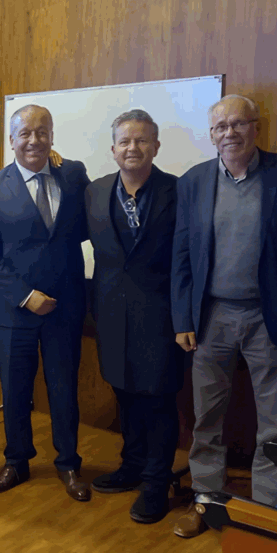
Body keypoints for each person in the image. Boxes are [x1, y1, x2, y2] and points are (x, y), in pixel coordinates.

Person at [170, 94, 277, 538]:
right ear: (212, 136)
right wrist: (182, 318)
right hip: (211, 318)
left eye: (238, 124)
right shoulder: (194, 182)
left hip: (274, 318)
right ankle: (206, 500)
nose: (230, 133)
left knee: (274, 420)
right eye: (220, 127)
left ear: (256, 128)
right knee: (206, 418)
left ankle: (267, 510)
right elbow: (182, 256)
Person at [0, 104, 92, 502]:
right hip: (13, 311)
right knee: (16, 391)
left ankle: (69, 464)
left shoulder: (72, 174)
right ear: (12, 140)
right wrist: (25, 295)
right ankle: (16, 461)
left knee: (63, 389)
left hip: (65, 308)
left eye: (42, 132)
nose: (34, 140)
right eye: (25, 133)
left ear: (52, 136)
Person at [85, 109, 183, 524]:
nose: (133, 148)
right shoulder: (94, 192)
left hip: (162, 317)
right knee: (124, 392)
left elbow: (188, 260)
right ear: (113, 149)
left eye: (142, 141)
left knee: (159, 400)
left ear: (156, 147)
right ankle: (131, 466)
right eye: (125, 141)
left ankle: (156, 484)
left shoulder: (180, 191)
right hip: (110, 314)